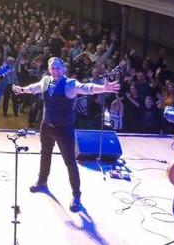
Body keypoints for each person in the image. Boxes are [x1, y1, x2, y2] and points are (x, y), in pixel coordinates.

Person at [13, 56, 120, 212]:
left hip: (64, 129)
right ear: (49, 69)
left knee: (70, 162)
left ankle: (76, 195)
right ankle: (42, 181)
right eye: (52, 68)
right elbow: (34, 87)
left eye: (58, 67)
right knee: (45, 154)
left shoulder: (70, 84)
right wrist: (22, 89)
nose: (55, 70)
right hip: (47, 126)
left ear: (63, 69)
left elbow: (87, 88)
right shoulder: (45, 81)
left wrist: (104, 88)